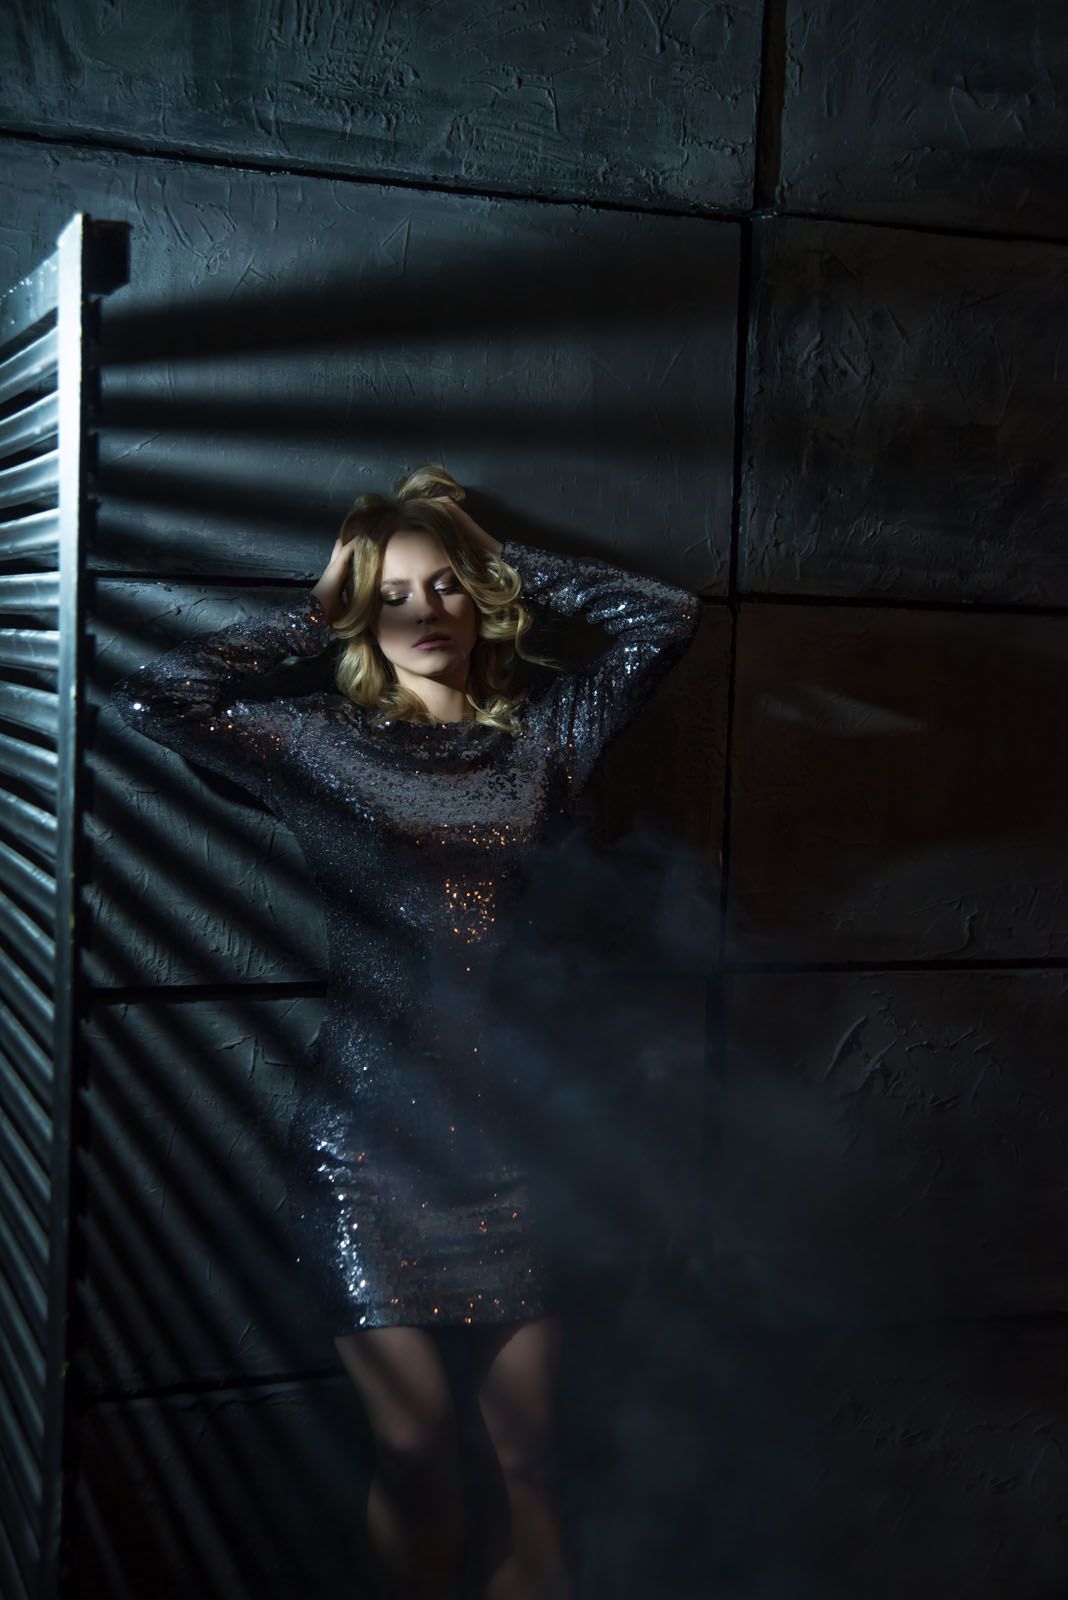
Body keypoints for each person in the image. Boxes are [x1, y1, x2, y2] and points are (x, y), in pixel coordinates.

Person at [109, 464, 701, 1600]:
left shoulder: (545, 740)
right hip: (367, 1152)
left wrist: (486, 549)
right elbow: (158, 695)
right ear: (357, 612)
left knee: (533, 1464)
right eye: (391, 596)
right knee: (420, 1451)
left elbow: (661, 619)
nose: (424, 613)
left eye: (445, 588)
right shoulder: (317, 744)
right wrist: (318, 608)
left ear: (480, 596)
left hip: (516, 1144)